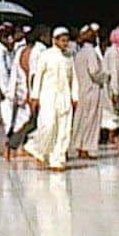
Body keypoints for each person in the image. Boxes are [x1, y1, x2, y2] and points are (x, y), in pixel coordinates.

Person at [24, 27, 77, 171]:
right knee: (48, 126)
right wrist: (34, 97)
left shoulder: (69, 57)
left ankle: (58, 160)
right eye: (62, 40)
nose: (65, 43)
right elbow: (38, 77)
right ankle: (37, 149)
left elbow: (74, 79)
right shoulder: (45, 55)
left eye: (67, 40)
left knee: (63, 130)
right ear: (55, 41)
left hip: (64, 98)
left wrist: (75, 96)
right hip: (48, 97)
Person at [70, 26, 107, 160]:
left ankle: (80, 146)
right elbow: (94, 71)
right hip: (92, 89)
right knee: (90, 119)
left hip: (82, 89)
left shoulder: (79, 52)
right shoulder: (90, 51)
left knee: (82, 119)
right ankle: (86, 147)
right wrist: (105, 77)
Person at [102, 24, 119, 148]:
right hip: (114, 88)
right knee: (114, 113)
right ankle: (113, 138)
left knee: (117, 113)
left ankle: (115, 137)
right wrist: (115, 92)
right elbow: (113, 72)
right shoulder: (113, 52)